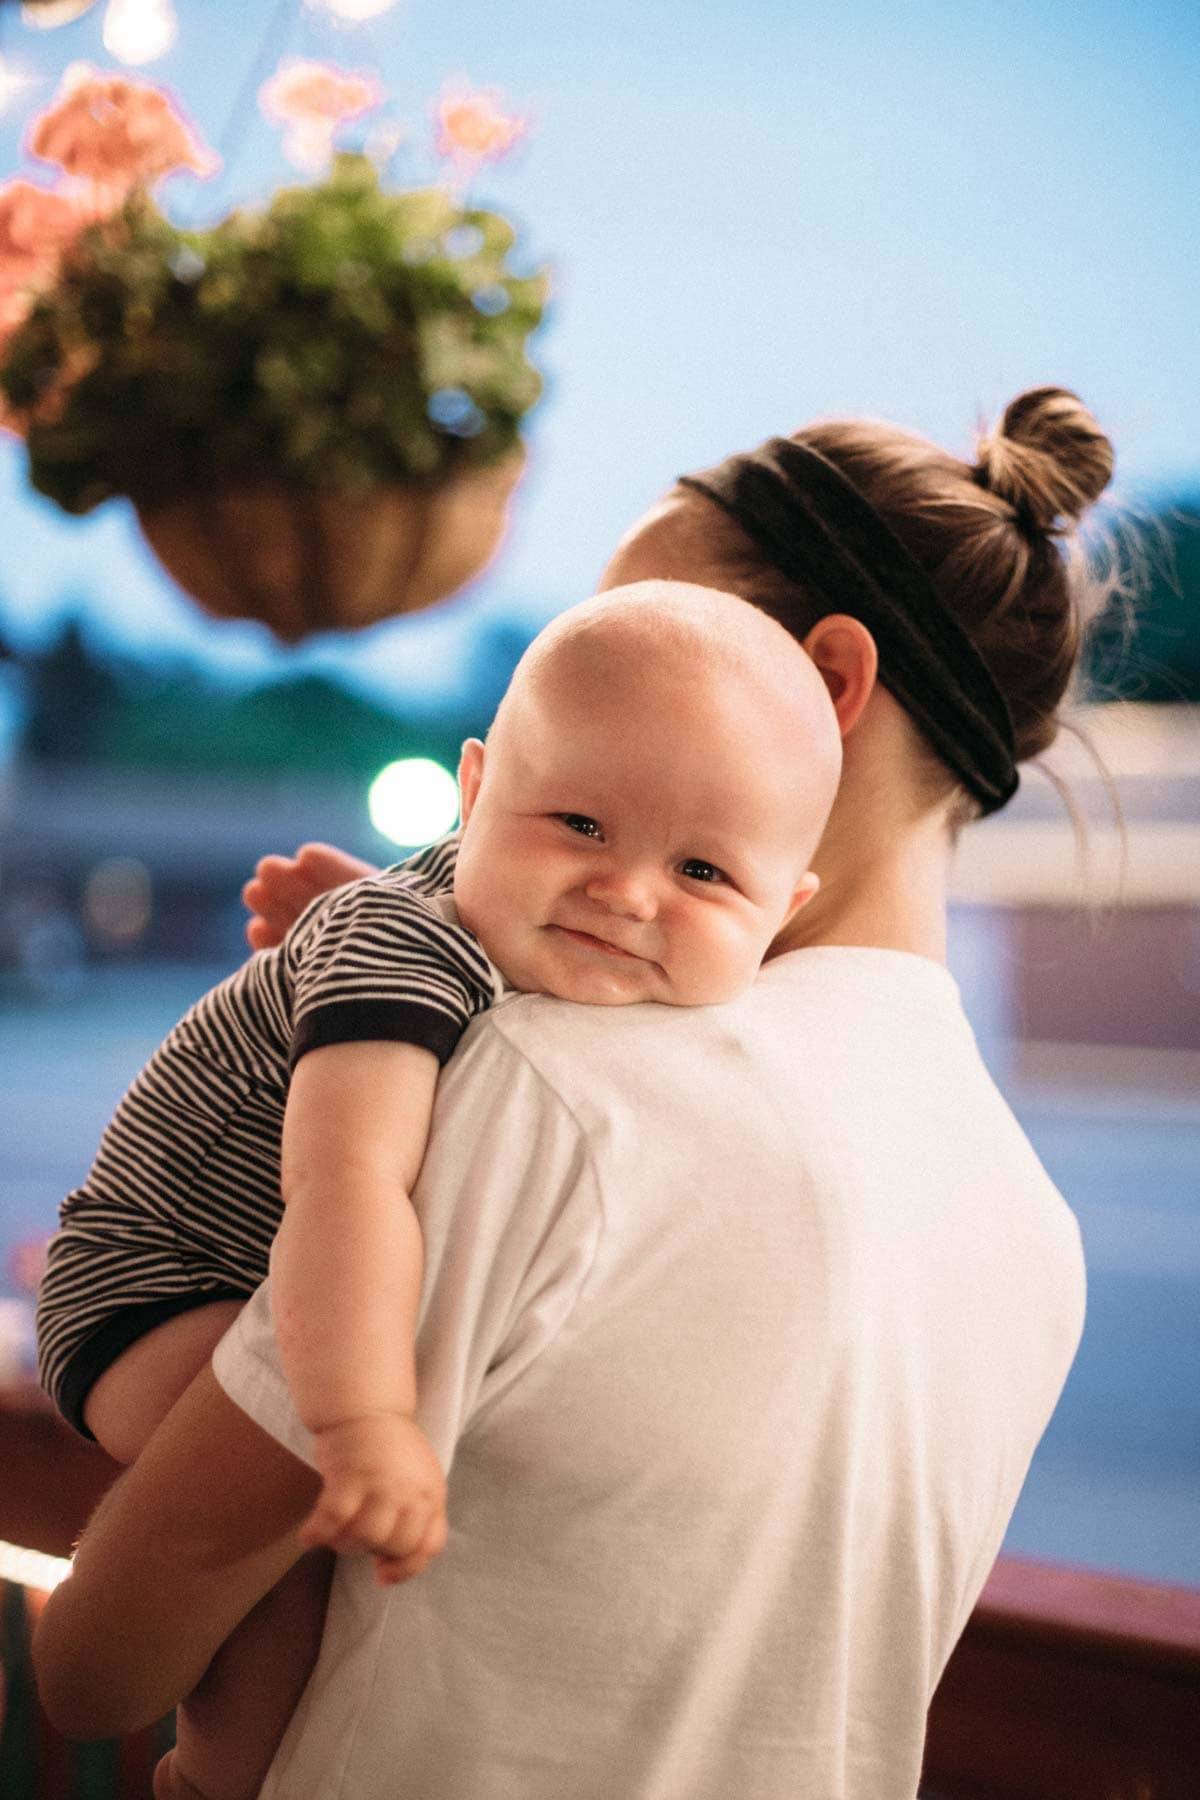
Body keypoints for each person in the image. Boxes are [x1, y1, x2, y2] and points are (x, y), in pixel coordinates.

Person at [35, 386, 1112, 1800]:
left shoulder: (543, 1092)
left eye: (624, 643)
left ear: (825, 685)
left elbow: (98, 1668)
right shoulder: (1034, 1237)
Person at [34, 578, 842, 1794]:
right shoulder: (404, 946)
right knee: (278, 1563)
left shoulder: (527, 957)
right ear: (475, 795)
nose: (626, 893)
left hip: (264, 1263)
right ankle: (208, 1777)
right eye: (576, 824)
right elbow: (345, 1184)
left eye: (702, 872)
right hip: (158, 1281)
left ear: (788, 911)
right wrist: (360, 1423)